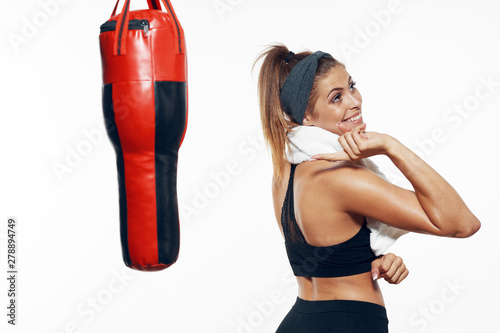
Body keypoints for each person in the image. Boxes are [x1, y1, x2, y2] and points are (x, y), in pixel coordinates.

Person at [253, 44, 480, 332]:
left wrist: (374, 258)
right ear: (306, 117)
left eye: (352, 86)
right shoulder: (341, 178)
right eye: (336, 98)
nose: (354, 101)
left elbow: (329, 254)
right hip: (347, 323)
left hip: (299, 319)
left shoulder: (284, 174)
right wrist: (389, 145)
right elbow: (462, 223)